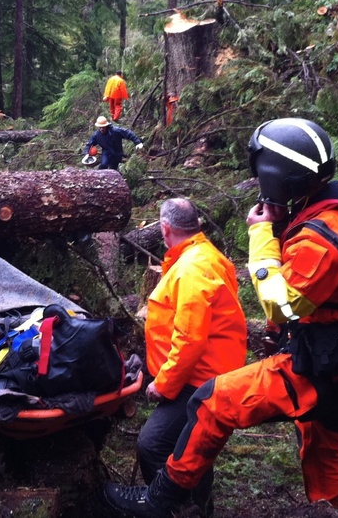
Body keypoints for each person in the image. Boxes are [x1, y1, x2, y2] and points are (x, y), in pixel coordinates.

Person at [102, 118, 338, 517]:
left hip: (328, 364)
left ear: (279, 178)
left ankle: (159, 499)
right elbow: (325, 290)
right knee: (324, 443)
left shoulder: (322, 238)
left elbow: (281, 304)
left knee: (212, 403)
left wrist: (261, 234)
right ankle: (333, 510)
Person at [134, 198, 247, 516]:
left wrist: (164, 384)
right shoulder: (206, 254)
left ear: (166, 228)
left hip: (196, 379)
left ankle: (178, 508)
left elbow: (190, 339)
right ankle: (201, 505)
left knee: (151, 445)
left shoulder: (192, 269)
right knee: (194, 445)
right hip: (207, 373)